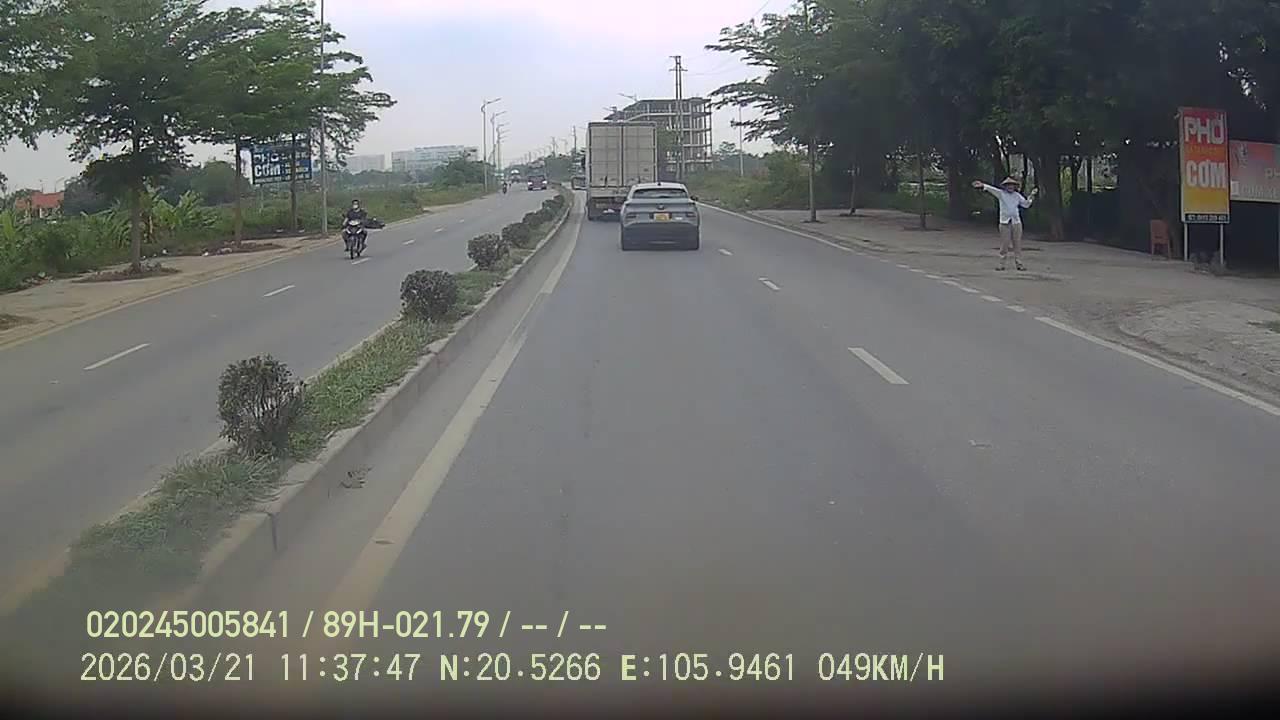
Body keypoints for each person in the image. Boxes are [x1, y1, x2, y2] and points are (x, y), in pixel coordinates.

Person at [972, 177, 1036, 271]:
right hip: (1004, 222)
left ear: (1014, 187)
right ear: (1005, 187)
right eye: (1008, 185)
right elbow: (992, 189)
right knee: (1005, 244)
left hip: (1016, 222)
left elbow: (1026, 204)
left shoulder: (1017, 196)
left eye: (1012, 185)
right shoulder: (1001, 194)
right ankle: (1001, 263)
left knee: (1017, 244)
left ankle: (1019, 263)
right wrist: (983, 185)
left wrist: (1031, 196)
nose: (1010, 187)